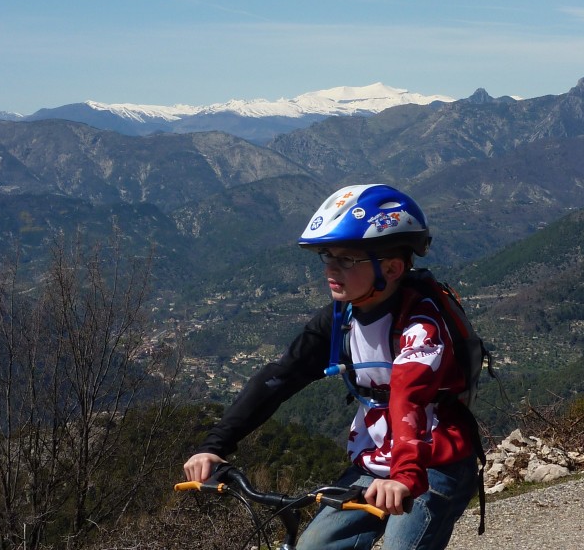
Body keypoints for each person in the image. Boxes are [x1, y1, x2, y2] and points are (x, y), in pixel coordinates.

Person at [183, 184, 479, 550]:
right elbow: (279, 377)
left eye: (346, 259)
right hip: (374, 463)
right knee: (313, 546)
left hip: (434, 462)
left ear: (392, 267)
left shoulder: (422, 326)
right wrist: (215, 445)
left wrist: (404, 476)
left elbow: (409, 396)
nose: (330, 269)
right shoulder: (341, 319)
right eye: (327, 256)